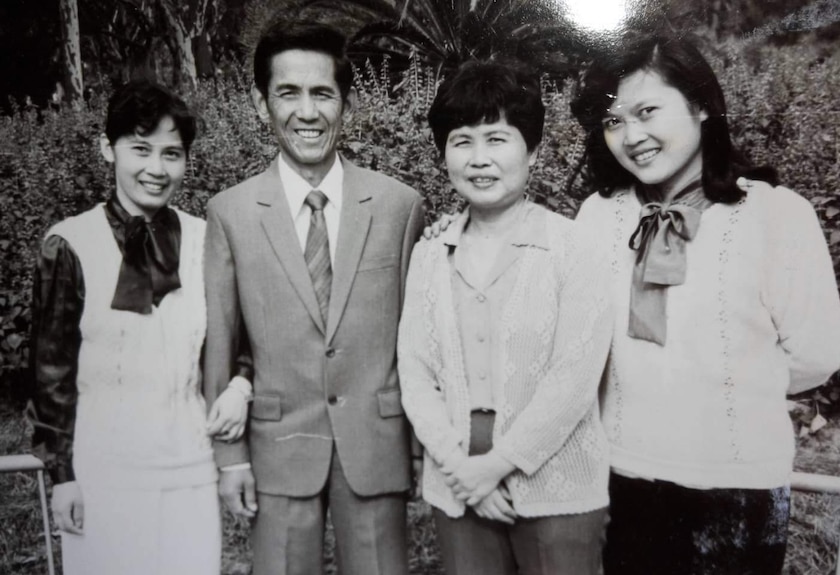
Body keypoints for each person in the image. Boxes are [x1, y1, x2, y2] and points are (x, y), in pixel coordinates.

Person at [569, 33, 840, 574]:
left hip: (736, 486)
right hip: (619, 475)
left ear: (700, 105)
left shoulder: (775, 214)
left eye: (647, 111)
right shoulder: (598, 217)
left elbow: (816, 352)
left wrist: (727, 383)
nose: (632, 136)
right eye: (613, 121)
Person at [203, 18, 425, 575]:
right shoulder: (229, 213)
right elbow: (221, 345)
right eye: (288, 94)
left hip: (376, 445)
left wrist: (424, 449)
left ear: (345, 104)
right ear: (261, 105)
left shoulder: (400, 207)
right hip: (278, 445)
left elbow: (421, 342)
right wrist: (229, 459)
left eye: (323, 93)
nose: (308, 112)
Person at [398, 61, 613, 575]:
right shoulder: (431, 253)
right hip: (457, 469)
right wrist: (462, 470)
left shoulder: (574, 247)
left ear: (533, 150)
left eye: (497, 139)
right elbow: (415, 371)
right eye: (461, 141)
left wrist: (496, 466)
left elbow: (575, 378)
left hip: (554, 473)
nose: (479, 159)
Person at [29, 80, 249, 575]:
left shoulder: (204, 240)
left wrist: (240, 385)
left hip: (190, 466)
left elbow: (242, 341)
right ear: (107, 149)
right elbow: (50, 372)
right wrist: (62, 475)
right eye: (141, 149)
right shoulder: (68, 243)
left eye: (172, 153)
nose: (156, 168)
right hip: (102, 470)